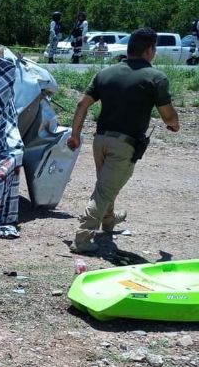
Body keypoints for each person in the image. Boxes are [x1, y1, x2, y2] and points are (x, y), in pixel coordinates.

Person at [66, 28, 180, 254]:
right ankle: (82, 238)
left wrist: (75, 135)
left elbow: (82, 104)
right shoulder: (155, 77)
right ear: (149, 50)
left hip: (100, 141)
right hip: (125, 144)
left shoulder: (106, 73)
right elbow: (168, 116)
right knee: (104, 190)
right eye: (154, 49)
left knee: (106, 184)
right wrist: (174, 124)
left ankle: (108, 221)